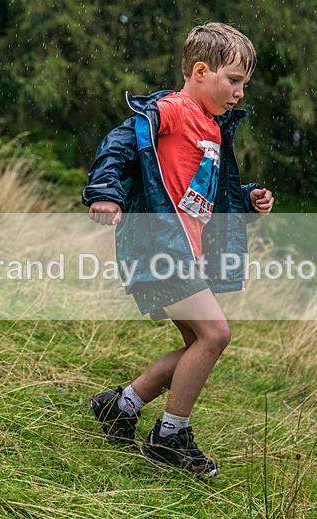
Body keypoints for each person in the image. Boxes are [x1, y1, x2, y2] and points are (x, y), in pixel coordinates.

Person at [83, 22, 274, 478]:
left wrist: (245, 198)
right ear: (201, 71)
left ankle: (122, 406)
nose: (239, 93)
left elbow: (200, 191)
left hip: (182, 249)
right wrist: (105, 190)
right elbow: (120, 143)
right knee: (215, 335)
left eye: (244, 84)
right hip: (156, 244)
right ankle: (170, 436)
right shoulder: (172, 109)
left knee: (196, 343)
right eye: (233, 80)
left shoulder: (210, 127)